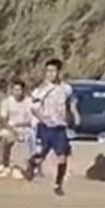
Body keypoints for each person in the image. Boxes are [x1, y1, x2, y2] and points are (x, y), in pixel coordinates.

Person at [28, 59, 79, 196]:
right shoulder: (41, 90)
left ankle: (58, 183)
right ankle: (32, 164)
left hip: (60, 128)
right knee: (40, 156)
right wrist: (42, 118)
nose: (51, 74)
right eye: (48, 71)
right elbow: (34, 108)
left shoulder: (66, 89)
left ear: (59, 72)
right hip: (45, 127)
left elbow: (71, 102)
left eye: (54, 71)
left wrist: (75, 115)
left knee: (62, 157)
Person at [0, 79, 36, 178]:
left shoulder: (29, 101)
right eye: (15, 90)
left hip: (25, 128)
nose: (17, 92)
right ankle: (3, 164)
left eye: (19, 90)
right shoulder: (7, 102)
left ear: (23, 91)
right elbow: (3, 119)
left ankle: (32, 165)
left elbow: (32, 120)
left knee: (32, 136)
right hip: (11, 127)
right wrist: (12, 129)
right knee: (3, 136)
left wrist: (22, 127)